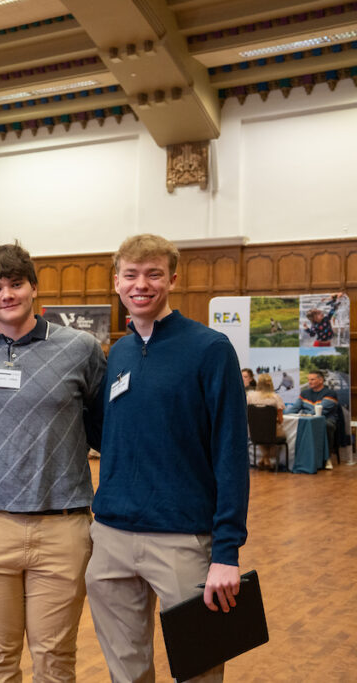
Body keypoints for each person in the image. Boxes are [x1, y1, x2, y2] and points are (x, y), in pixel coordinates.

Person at [0, 242, 106, 681]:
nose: (6, 295)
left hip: (62, 528)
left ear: (33, 287)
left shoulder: (81, 349)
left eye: (16, 284)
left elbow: (109, 430)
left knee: (55, 661)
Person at [85, 234, 250, 683]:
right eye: (132, 275)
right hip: (112, 539)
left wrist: (227, 552)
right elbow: (106, 435)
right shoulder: (117, 352)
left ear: (172, 279)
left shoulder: (209, 349)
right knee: (127, 673)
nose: (142, 284)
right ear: (116, 281)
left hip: (183, 542)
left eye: (153, 274)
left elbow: (231, 453)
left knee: (199, 671)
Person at [285, 369, 342, 469]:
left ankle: (327, 458)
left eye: (312, 379)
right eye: (308, 379)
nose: (309, 382)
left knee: (327, 426)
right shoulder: (304, 393)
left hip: (325, 420)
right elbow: (295, 408)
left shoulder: (330, 394)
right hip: (306, 419)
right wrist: (281, 414)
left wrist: (306, 416)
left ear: (321, 380)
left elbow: (321, 411)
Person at [247, 373, 285, 470]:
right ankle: (267, 459)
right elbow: (281, 420)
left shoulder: (250, 397)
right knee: (276, 436)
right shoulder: (275, 398)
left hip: (254, 433)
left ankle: (264, 459)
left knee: (262, 435)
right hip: (272, 432)